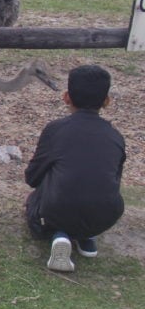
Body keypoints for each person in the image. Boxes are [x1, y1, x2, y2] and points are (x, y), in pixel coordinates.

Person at [24, 64, 125, 272]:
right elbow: (114, 179)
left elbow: (32, 178)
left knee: (37, 199)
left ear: (66, 97)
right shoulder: (116, 137)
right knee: (91, 191)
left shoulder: (56, 130)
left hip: (58, 210)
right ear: (107, 101)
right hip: (106, 215)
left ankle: (60, 235)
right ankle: (86, 238)